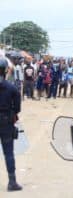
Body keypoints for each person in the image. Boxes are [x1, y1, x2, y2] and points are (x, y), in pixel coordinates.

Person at [0, 58, 22, 191]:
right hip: (6, 123)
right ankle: (12, 182)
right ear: (7, 70)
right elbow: (18, 108)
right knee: (8, 153)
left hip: (6, 121)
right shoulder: (12, 88)